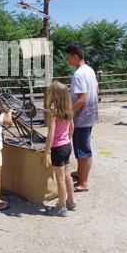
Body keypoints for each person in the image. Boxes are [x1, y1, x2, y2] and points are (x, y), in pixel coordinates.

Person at [65, 42, 99, 192]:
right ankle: (80, 173)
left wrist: (68, 113)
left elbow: (82, 99)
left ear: (76, 56)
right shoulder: (89, 69)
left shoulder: (78, 74)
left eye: (68, 57)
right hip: (90, 114)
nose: (67, 60)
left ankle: (83, 183)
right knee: (81, 147)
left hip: (81, 117)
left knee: (82, 149)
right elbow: (96, 89)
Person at [43, 81, 75, 217]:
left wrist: (46, 152)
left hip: (58, 148)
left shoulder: (54, 113)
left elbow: (50, 134)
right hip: (67, 145)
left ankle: (61, 208)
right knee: (67, 175)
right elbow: (72, 127)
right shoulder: (69, 110)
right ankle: (70, 201)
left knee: (60, 178)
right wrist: (67, 139)